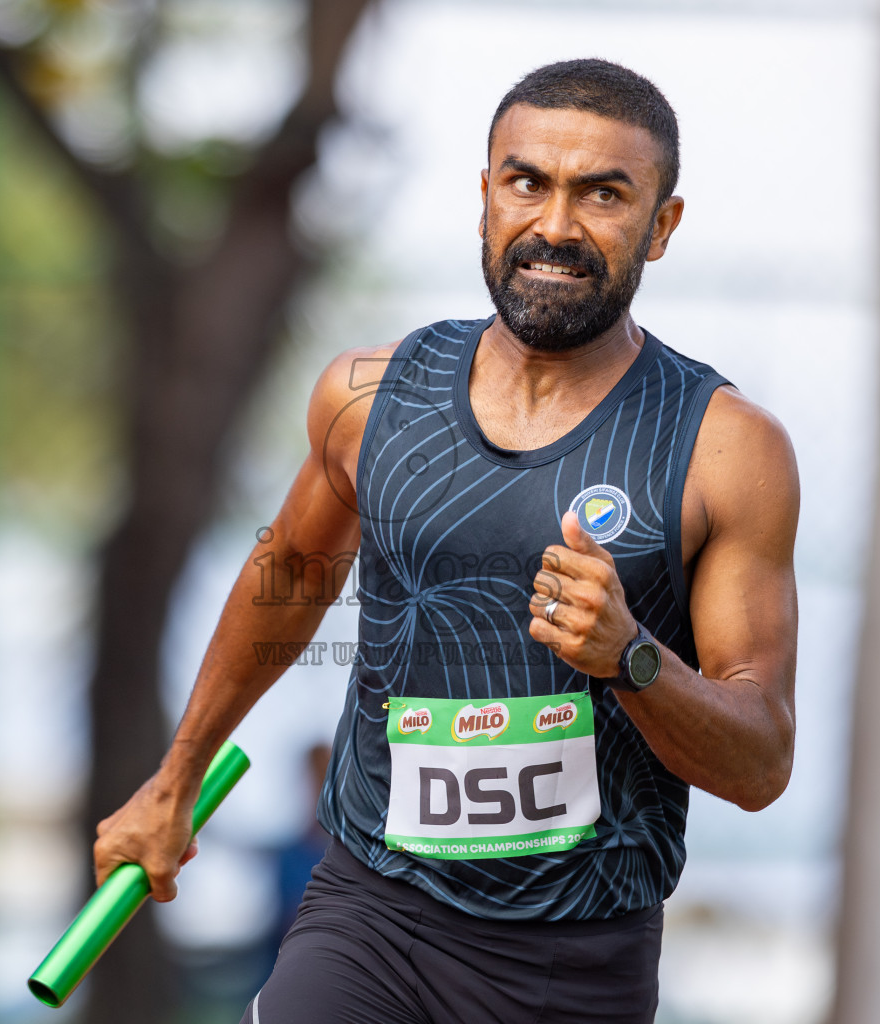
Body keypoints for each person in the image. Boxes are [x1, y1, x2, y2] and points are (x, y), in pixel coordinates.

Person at [91, 58, 800, 1023]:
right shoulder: (369, 398)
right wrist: (173, 783)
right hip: (371, 915)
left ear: (662, 226)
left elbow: (760, 764)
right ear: (484, 201)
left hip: (575, 958)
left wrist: (630, 657)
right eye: (527, 183)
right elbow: (291, 574)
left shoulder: (725, 450)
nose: (555, 226)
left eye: (602, 195)